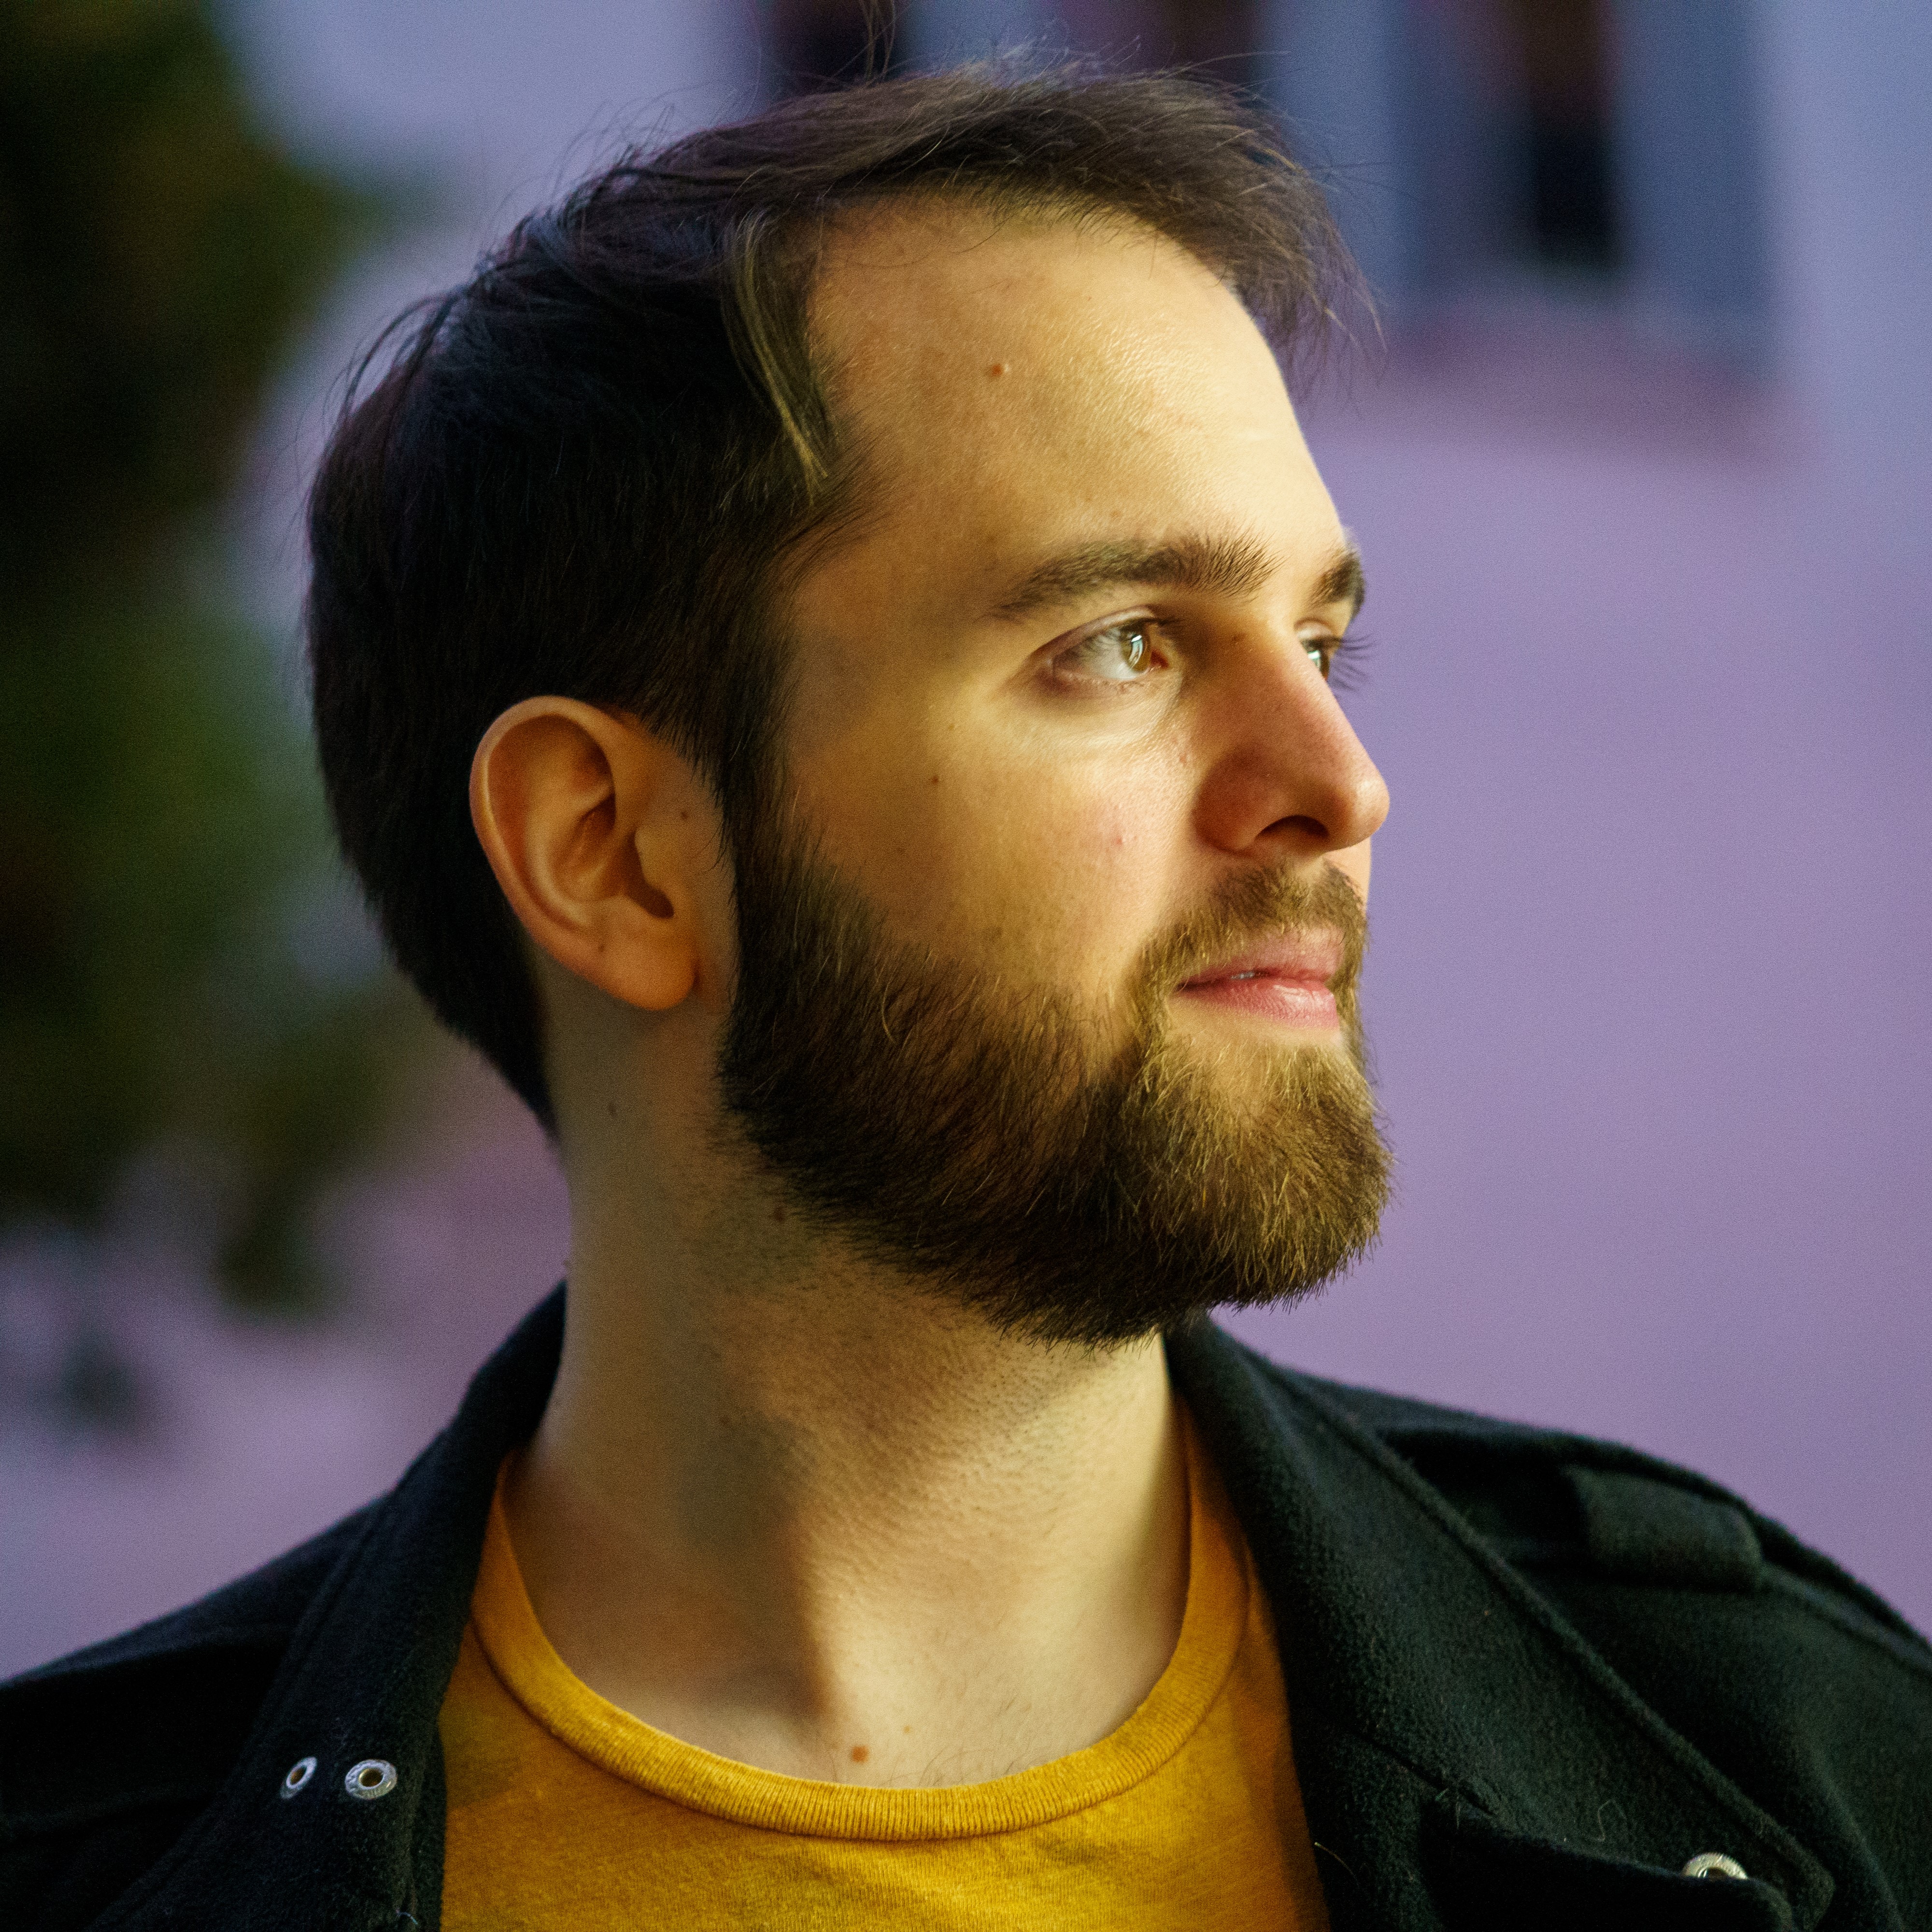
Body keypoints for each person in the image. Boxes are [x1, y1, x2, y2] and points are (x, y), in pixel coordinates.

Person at [4, 66, 1927, 1932]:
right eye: (1115, 644)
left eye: (1324, 636)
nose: (1338, 782)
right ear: (611, 851)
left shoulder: (1798, 1776)